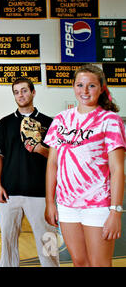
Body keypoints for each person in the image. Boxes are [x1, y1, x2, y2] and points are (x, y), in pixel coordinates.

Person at [44, 64, 125, 267]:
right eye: (80, 85)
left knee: (99, 264)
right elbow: (52, 163)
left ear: (101, 89)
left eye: (91, 86)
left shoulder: (111, 120)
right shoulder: (61, 119)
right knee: (79, 262)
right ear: (73, 87)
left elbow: (117, 169)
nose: (85, 91)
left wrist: (115, 211)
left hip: (97, 205)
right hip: (67, 204)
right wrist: (50, 202)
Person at [0, 77, 59, 267]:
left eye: (24, 90)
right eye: (16, 92)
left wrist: (39, 148)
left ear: (33, 92)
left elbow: (58, 158)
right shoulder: (4, 123)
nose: (20, 95)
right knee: (7, 243)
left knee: (49, 243)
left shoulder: (49, 122)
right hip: (9, 193)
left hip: (41, 193)